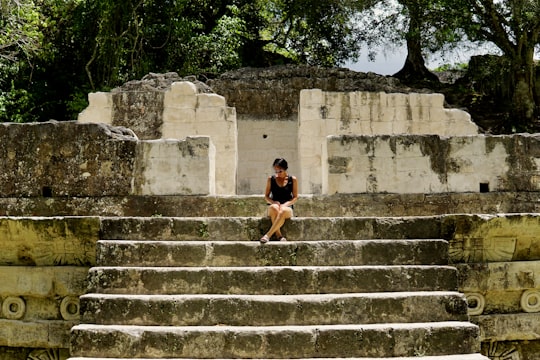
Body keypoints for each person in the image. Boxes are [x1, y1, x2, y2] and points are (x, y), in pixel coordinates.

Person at [260, 158, 298, 243]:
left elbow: (295, 197)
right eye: (276, 171)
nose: (278, 174)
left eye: (280, 171)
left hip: (287, 207)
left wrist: (285, 204)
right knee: (274, 208)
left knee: (283, 210)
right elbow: (266, 196)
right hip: (274, 205)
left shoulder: (293, 179)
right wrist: (273, 202)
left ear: (285, 169)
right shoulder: (271, 179)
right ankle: (279, 235)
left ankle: (268, 235)